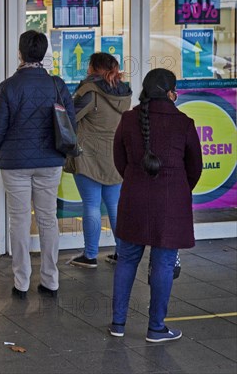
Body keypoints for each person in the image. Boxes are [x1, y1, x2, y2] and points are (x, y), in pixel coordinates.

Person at [108, 68, 202, 342]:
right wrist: (180, 190)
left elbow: (119, 159)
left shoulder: (128, 119)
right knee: (163, 264)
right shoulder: (184, 123)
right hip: (170, 203)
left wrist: (136, 179)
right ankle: (156, 328)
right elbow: (194, 167)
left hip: (133, 198)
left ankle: (118, 323)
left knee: (126, 260)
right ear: (171, 93)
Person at [0, 30, 75, 299]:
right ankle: (50, 280)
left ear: (20, 52)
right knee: (48, 219)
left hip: (14, 163)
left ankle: (21, 281)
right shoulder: (57, 85)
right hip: (50, 161)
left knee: (19, 220)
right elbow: (70, 122)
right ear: (44, 53)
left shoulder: (9, 87)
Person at [68, 53, 132, 269]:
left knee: (92, 205)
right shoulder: (124, 92)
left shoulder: (89, 90)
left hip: (90, 156)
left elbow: (70, 116)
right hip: (115, 154)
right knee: (114, 205)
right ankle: (122, 253)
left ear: (93, 67)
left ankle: (90, 255)